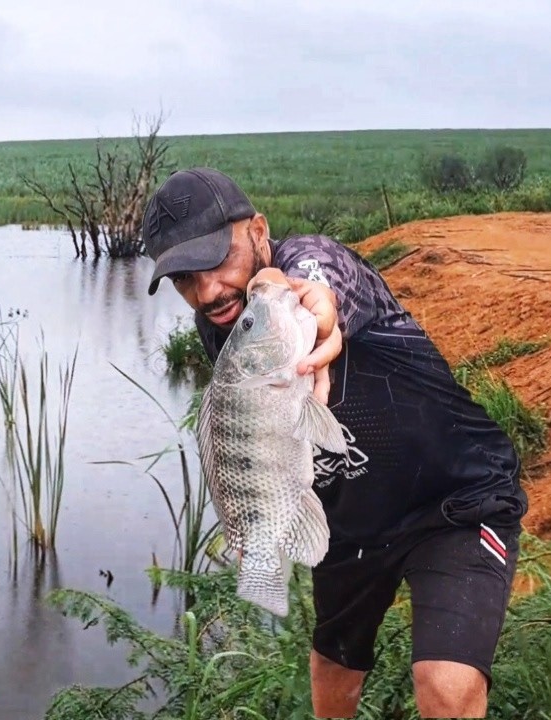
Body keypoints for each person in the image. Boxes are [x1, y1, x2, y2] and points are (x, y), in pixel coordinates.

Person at [140, 167, 529, 719]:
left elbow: (317, 288)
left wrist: (313, 310)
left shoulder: (314, 266)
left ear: (258, 230)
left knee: (445, 684)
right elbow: (253, 430)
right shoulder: (220, 322)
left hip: (455, 499)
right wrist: (257, 512)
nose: (207, 292)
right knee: (332, 672)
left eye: (216, 259)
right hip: (354, 522)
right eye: (184, 278)